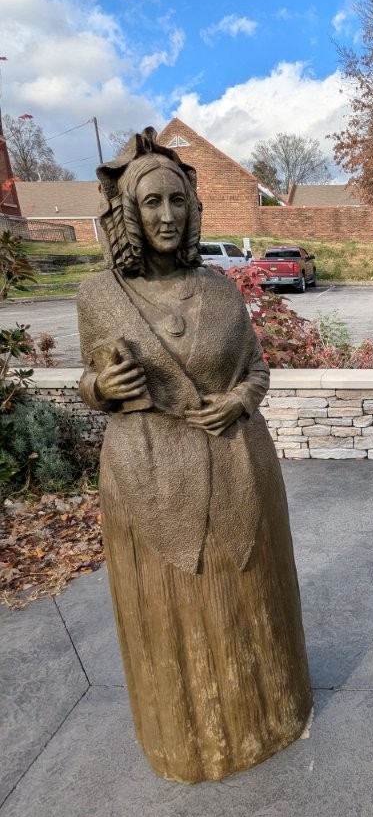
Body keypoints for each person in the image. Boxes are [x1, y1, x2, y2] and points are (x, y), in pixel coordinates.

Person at [77, 128, 312, 783]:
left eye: (177, 201)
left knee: (247, 603)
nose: (166, 216)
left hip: (237, 462)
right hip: (146, 473)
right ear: (127, 212)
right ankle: (187, 741)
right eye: (150, 203)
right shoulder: (99, 297)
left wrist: (238, 401)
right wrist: (102, 388)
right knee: (171, 615)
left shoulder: (219, 290)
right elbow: (88, 384)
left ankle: (272, 716)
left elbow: (257, 371)